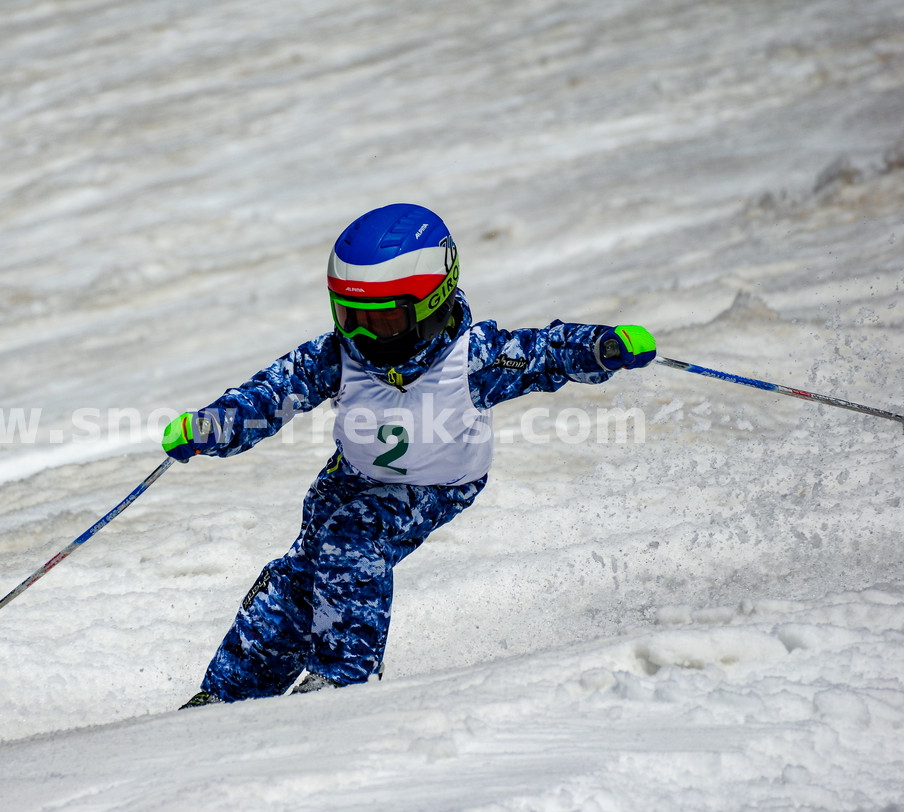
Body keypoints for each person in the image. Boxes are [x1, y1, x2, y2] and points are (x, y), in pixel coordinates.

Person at [162, 203, 656, 708]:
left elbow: (545, 352)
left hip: (437, 485)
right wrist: (213, 427)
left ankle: (343, 677)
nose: (361, 337)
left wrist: (601, 348)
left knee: (354, 536)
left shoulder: (474, 358)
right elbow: (269, 395)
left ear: (433, 306)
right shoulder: (339, 356)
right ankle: (230, 694)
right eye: (349, 317)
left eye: (384, 321)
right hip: (351, 477)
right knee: (300, 575)